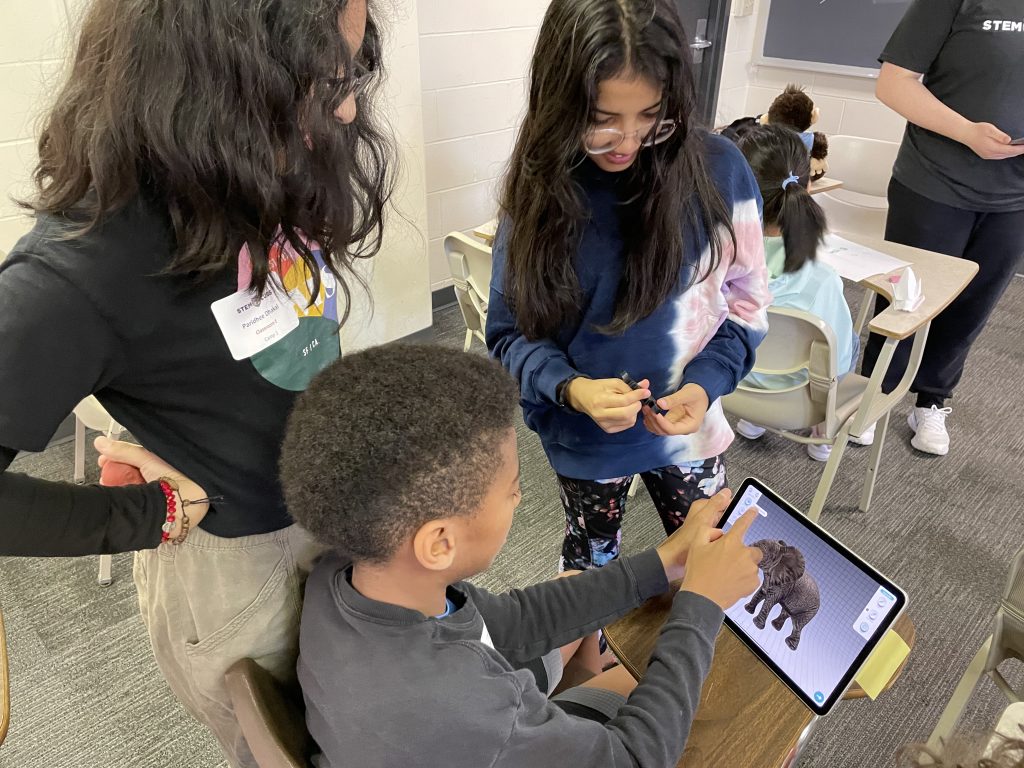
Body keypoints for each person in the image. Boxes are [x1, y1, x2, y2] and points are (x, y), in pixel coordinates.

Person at [0, 0, 393, 764]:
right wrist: (147, 514)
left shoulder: (259, 168)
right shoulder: (80, 268)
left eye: (353, 73)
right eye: (322, 83)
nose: (348, 109)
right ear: (220, 81)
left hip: (327, 515)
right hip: (248, 568)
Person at [281, 343, 763, 767]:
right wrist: (700, 603)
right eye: (512, 489)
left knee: (581, 607)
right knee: (727, 719)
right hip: (480, 727)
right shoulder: (475, 715)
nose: (518, 499)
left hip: (455, 725)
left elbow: (508, 621)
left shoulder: (348, 573)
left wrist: (666, 560)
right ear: (439, 543)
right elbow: (636, 757)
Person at [487, 0, 771, 573]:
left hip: (692, 427)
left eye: (652, 116)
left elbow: (749, 299)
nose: (628, 141)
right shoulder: (541, 193)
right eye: (601, 119)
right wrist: (570, 389)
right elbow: (510, 336)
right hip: (585, 437)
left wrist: (706, 382)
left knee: (710, 561)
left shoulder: (720, 171)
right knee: (593, 570)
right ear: (560, 104)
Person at [862, 0, 1024, 456]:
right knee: (905, 298)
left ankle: (932, 402)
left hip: (1014, 198)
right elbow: (894, 84)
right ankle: (873, 395)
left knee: (974, 305)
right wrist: (969, 133)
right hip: (934, 181)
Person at [728, 124, 857, 463]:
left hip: (727, 385)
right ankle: (821, 436)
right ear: (807, 185)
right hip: (799, 404)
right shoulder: (822, 279)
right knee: (847, 341)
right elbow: (838, 361)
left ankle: (753, 418)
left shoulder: (714, 258)